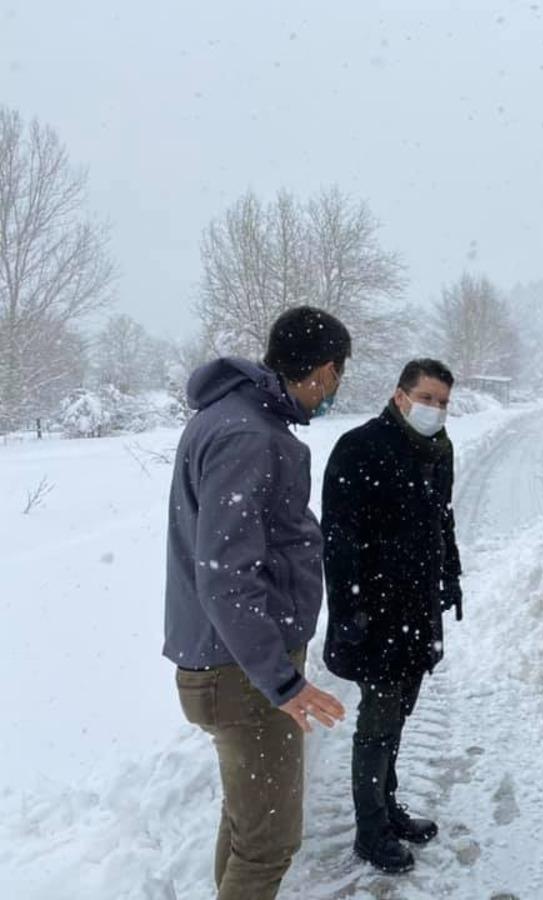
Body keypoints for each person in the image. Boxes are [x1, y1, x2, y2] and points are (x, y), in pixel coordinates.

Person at [164, 306, 351, 900]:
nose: (334, 389)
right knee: (270, 843)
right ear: (324, 370)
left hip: (231, 664)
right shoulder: (248, 435)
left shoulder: (238, 420)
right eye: (337, 375)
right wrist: (282, 681)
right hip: (240, 673)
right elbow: (226, 575)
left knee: (249, 830)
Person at [321, 358, 462, 874]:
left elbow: (441, 519)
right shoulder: (360, 448)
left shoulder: (439, 451)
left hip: (417, 610)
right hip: (376, 614)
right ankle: (370, 830)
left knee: (400, 714)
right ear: (401, 396)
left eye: (444, 402)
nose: (436, 410)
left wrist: (451, 574)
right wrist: (349, 613)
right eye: (427, 398)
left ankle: (388, 806)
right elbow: (337, 542)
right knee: (377, 724)